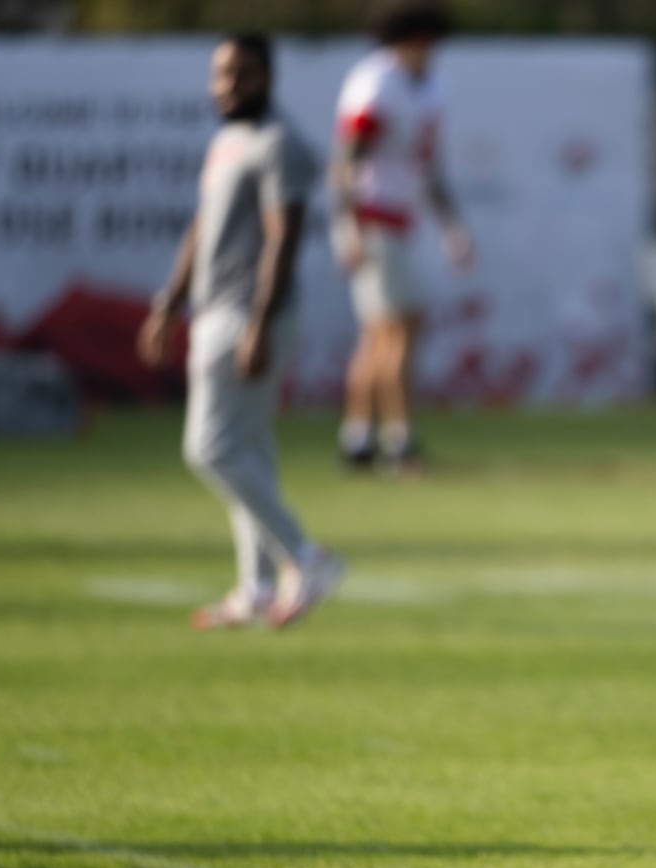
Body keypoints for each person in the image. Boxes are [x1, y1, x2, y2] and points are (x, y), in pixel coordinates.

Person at [138, 32, 344, 630]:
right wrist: (168, 304)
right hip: (213, 308)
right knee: (247, 449)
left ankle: (307, 556)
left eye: (242, 74)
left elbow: (284, 238)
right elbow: (204, 229)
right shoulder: (229, 141)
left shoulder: (281, 144)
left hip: (248, 313)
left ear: (269, 78)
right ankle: (254, 590)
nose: (228, 86)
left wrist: (259, 320)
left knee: (209, 448)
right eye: (221, 74)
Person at [330, 1, 473, 474]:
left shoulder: (431, 87)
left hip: (404, 219)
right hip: (375, 217)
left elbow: (427, 166)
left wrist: (451, 226)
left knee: (378, 334)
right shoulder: (378, 82)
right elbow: (348, 162)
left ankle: (358, 440)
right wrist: (346, 226)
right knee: (399, 330)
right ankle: (399, 442)